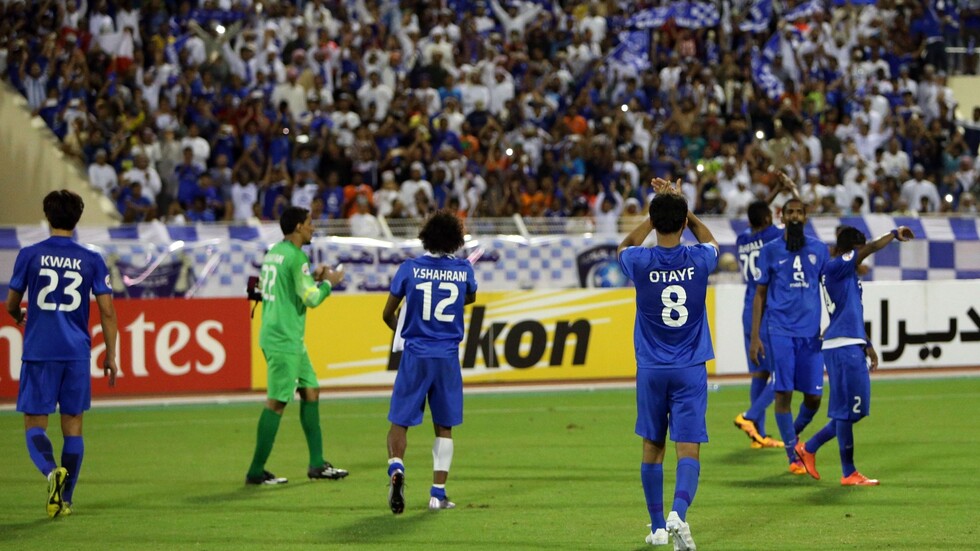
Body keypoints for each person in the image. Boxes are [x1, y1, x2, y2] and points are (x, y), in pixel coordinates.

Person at [618, 178, 719, 550]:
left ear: (654, 221)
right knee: (688, 449)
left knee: (652, 446)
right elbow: (710, 241)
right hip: (690, 366)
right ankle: (678, 513)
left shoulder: (640, 261)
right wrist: (683, 208)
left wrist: (654, 211)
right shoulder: (698, 259)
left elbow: (624, 245)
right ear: (681, 222)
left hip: (651, 368)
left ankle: (659, 527)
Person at [5, 190, 118, 518]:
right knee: (74, 426)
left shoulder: (30, 255)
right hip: (76, 354)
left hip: (40, 351)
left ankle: (51, 472)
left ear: (47, 214)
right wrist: (111, 355)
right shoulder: (91, 258)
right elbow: (108, 312)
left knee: (34, 424)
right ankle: (64, 499)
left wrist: (17, 315)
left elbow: (12, 302)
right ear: (77, 218)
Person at [795, 225, 914, 486]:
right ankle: (843, 469)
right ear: (851, 250)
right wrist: (893, 233)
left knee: (848, 412)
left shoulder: (844, 277)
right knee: (851, 412)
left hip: (847, 344)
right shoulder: (837, 266)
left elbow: (849, 316)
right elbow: (868, 248)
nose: (863, 260)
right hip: (843, 349)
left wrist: (867, 344)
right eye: (858, 252)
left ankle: (811, 450)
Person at [381, 211, 477, 514]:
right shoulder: (464, 271)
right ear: (455, 240)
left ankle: (396, 468)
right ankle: (438, 494)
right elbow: (468, 299)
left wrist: (403, 331)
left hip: (415, 355)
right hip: (446, 358)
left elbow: (386, 313)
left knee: (400, 422)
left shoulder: (409, 269)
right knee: (444, 428)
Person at [246, 206, 349, 485]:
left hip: (281, 334)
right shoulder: (296, 257)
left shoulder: (275, 253)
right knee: (277, 402)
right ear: (297, 228)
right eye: (309, 223)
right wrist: (329, 283)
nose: (312, 228)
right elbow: (312, 299)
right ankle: (256, 470)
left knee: (311, 389)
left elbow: (288, 285)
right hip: (284, 338)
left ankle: (317, 464)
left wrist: (313, 278)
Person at [750, 195, 830, 474]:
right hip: (780, 330)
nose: (795, 216)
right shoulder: (770, 250)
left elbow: (830, 287)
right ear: (781, 217)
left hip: (811, 335)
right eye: (790, 212)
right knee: (783, 393)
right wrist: (754, 337)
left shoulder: (819, 250)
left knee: (814, 398)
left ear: (805, 217)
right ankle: (792, 456)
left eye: (799, 212)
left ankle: (791, 438)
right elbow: (759, 295)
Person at [733, 174, 799, 449]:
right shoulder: (773, 237)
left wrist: (774, 192)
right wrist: (791, 190)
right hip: (769, 310)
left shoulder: (742, 240)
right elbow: (792, 223)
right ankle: (749, 417)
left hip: (749, 309)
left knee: (760, 373)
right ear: (769, 220)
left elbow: (759, 216)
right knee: (781, 372)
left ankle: (757, 434)